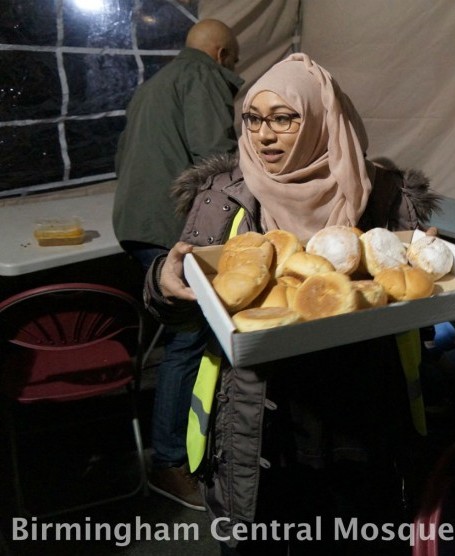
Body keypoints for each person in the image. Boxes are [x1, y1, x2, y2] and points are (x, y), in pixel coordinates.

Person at [144, 53, 439, 555]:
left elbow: (416, 313)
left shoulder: (383, 196)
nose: (264, 135)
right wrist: (162, 282)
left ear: (324, 116)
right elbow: (186, 299)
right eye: (254, 119)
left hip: (360, 414)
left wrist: (432, 267)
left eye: (283, 118)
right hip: (260, 421)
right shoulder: (226, 196)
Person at [112, 18, 243, 511]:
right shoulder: (205, 78)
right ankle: (170, 461)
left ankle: (180, 444)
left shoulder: (151, 87)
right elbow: (220, 157)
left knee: (179, 336)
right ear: (222, 54)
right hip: (173, 230)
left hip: (137, 223)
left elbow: (125, 157)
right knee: (187, 339)